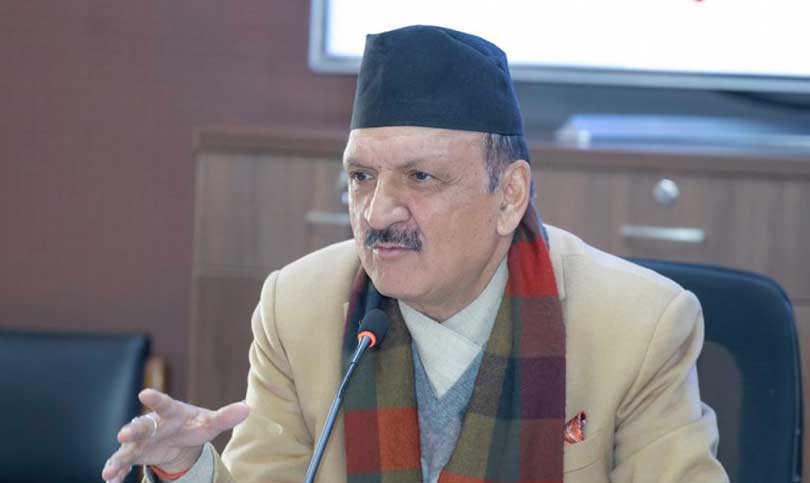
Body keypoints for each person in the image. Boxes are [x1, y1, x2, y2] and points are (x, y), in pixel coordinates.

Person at [102, 25, 729, 483]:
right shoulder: (297, 308)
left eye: (420, 178)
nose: (377, 215)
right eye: (361, 178)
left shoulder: (640, 325)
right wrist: (189, 467)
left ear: (509, 195)